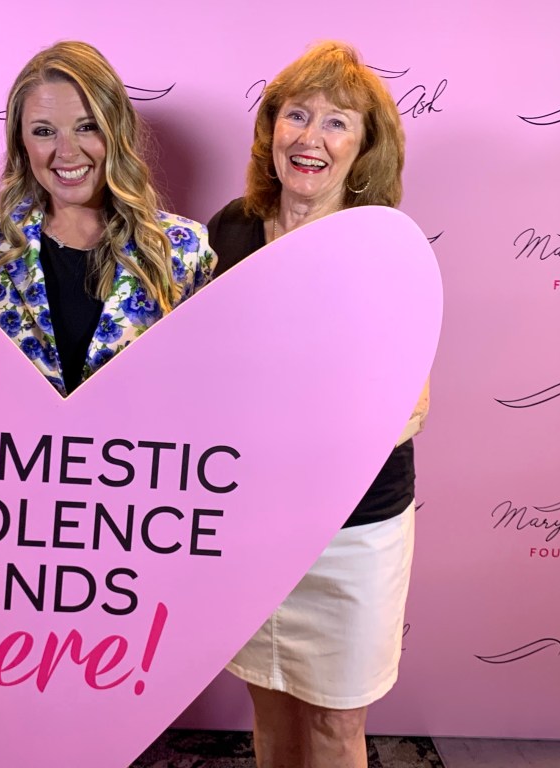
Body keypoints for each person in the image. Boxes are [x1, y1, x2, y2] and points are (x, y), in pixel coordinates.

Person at [207, 41, 430, 768]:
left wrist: (301, 426)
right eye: (297, 115)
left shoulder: (384, 247)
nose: (311, 137)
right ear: (271, 128)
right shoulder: (229, 231)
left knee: (336, 724)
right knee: (269, 708)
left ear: (364, 147)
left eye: (338, 122)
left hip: (354, 529)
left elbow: (411, 409)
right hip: (250, 520)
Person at [0, 41, 214, 395]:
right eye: (44, 131)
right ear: (21, 142)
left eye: (87, 127)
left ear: (116, 130)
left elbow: (201, 391)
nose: (67, 152)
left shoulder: (183, 249)